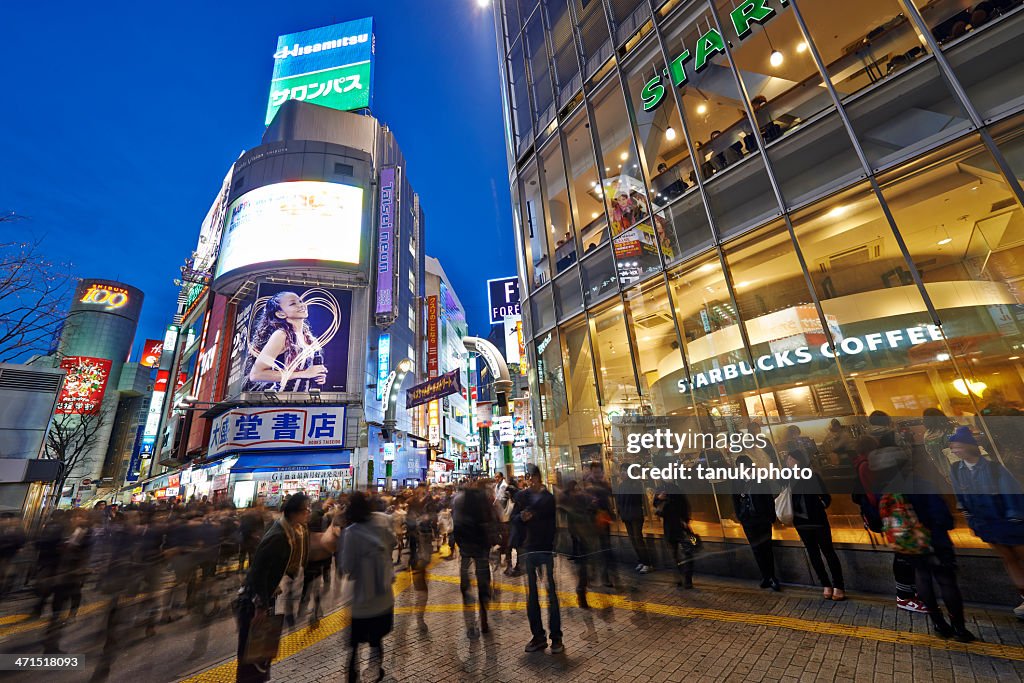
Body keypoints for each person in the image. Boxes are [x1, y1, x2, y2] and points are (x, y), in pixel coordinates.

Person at [948, 425, 1024, 619]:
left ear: (968, 446)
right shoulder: (957, 470)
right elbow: (961, 498)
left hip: (1008, 522)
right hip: (986, 524)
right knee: (1009, 559)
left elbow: (1011, 495)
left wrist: (1014, 519)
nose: (954, 450)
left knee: (1019, 555)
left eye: (957, 446)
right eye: (952, 447)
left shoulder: (994, 468)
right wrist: (972, 522)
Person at [235, 493, 309, 683]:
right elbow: (259, 571)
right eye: (305, 510)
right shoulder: (279, 536)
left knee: (260, 653)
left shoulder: (288, 531)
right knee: (252, 653)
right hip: (254, 601)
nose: (308, 513)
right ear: (294, 513)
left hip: (265, 597)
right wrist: (260, 606)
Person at [861, 422, 927, 614]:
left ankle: (909, 594)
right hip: (896, 510)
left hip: (891, 511)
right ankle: (906, 596)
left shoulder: (873, 459)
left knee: (904, 552)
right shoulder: (887, 457)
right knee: (905, 553)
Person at [340, 492, 396, 683]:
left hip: (362, 598)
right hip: (383, 593)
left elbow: (347, 566)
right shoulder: (382, 520)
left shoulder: (351, 532)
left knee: (355, 645)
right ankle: (376, 672)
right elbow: (393, 541)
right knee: (376, 640)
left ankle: (352, 676)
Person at [515, 464, 563, 654]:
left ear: (537, 477)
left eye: (531, 477)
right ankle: (538, 637)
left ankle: (556, 637)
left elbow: (546, 517)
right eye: (528, 477)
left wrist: (529, 514)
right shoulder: (523, 497)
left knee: (551, 595)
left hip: (544, 549)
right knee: (532, 597)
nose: (529, 480)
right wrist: (520, 516)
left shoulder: (548, 498)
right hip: (528, 550)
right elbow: (514, 518)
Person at [244, 291, 327, 392]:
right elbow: (256, 374)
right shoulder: (281, 335)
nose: (301, 305)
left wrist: (316, 376)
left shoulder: (310, 339)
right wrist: (304, 374)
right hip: (281, 402)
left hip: (305, 403)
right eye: (293, 303)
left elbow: (309, 373)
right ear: (281, 314)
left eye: (300, 301)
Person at [788, 450, 845, 600]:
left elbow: (826, 497)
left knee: (828, 551)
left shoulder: (812, 476)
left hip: (818, 521)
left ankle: (838, 586)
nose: (787, 461)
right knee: (813, 553)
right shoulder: (788, 478)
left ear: (798, 461)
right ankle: (826, 584)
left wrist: (819, 505)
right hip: (801, 522)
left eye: (790, 458)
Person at [453, 479, 495, 638]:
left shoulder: (458, 498)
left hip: (466, 547)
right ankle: (483, 615)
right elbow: (491, 520)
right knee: (483, 577)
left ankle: (468, 607)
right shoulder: (485, 498)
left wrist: (459, 542)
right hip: (481, 546)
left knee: (466, 578)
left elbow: (456, 522)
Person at [731, 455, 779, 590]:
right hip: (748, 521)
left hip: (762, 519)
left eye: (744, 465)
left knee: (767, 548)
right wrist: (740, 517)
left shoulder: (760, 480)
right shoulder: (737, 482)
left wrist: (771, 517)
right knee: (757, 549)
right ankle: (766, 576)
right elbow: (734, 500)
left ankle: (771, 576)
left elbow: (768, 499)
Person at [654, 479, 695, 589]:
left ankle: (686, 578)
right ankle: (681, 577)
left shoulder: (677, 488)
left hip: (679, 526)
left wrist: (686, 520)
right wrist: (659, 498)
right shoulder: (662, 489)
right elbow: (656, 504)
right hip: (673, 526)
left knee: (685, 552)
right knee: (676, 553)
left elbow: (685, 506)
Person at [615, 462, 651, 574]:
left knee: (637, 538)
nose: (622, 473)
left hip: (635, 515)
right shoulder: (621, 485)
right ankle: (641, 560)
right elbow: (619, 502)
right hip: (626, 516)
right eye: (621, 470)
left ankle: (647, 563)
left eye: (625, 470)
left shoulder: (636, 484)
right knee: (633, 540)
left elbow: (638, 499)